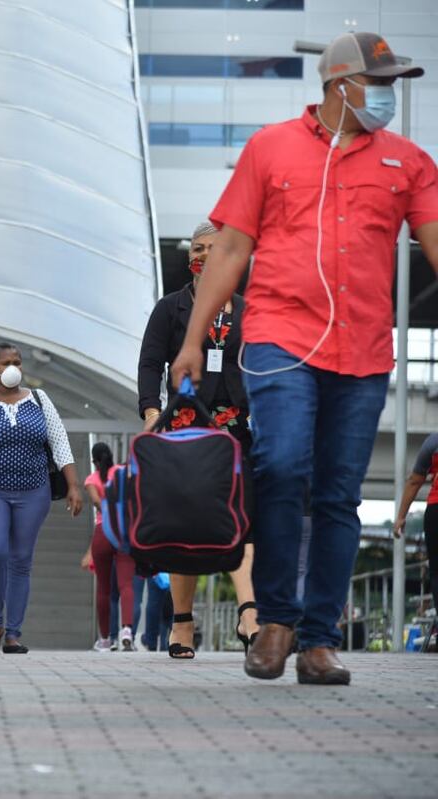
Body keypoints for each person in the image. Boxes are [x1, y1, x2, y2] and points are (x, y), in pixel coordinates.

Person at [171, 32, 438, 685]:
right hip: (280, 337)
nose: (388, 96)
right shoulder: (271, 147)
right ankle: (276, 621)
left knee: (340, 493)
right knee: (283, 465)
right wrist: (193, 340)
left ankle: (320, 639)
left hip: (365, 346)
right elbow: (231, 249)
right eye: (380, 84)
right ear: (339, 84)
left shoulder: (410, 163)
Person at [138, 220, 260, 659]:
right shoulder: (171, 308)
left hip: (237, 429)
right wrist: (152, 412)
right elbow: (150, 363)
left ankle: (249, 613)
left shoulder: (250, 310)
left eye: (214, 247)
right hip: (186, 428)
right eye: (197, 247)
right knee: (184, 523)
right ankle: (182, 623)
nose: (204, 254)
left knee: (240, 517)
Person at [0, 343, 83, 654]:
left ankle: (13, 633)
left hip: (34, 492)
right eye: (6, 363)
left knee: (20, 560)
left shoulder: (40, 400)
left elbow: (60, 443)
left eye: (17, 362)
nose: (13, 368)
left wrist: (73, 486)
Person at [82, 443, 134, 652]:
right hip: (123, 531)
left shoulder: (91, 480)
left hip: (103, 531)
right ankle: (126, 631)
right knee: (126, 585)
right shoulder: (121, 472)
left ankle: (105, 639)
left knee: (104, 588)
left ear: (94, 461)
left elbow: (98, 504)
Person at [393, 433, 438, 615]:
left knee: (436, 571)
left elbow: (415, 481)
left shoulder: (433, 442)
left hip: (436, 510)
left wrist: (401, 517)